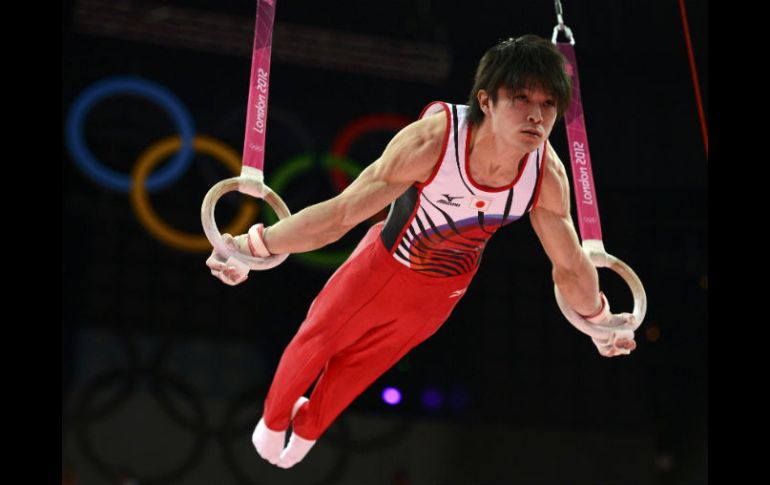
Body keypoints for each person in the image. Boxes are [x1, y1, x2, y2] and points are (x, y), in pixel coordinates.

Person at [206, 34, 637, 469]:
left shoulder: (545, 175)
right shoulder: (434, 140)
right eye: (521, 98)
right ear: (486, 101)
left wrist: (600, 322)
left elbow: (569, 266)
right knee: (317, 340)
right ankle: (273, 421)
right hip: (381, 268)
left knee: (359, 370)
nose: (535, 115)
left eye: (548, 104)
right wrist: (252, 245)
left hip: (441, 296)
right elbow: (340, 216)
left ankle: (307, 430)